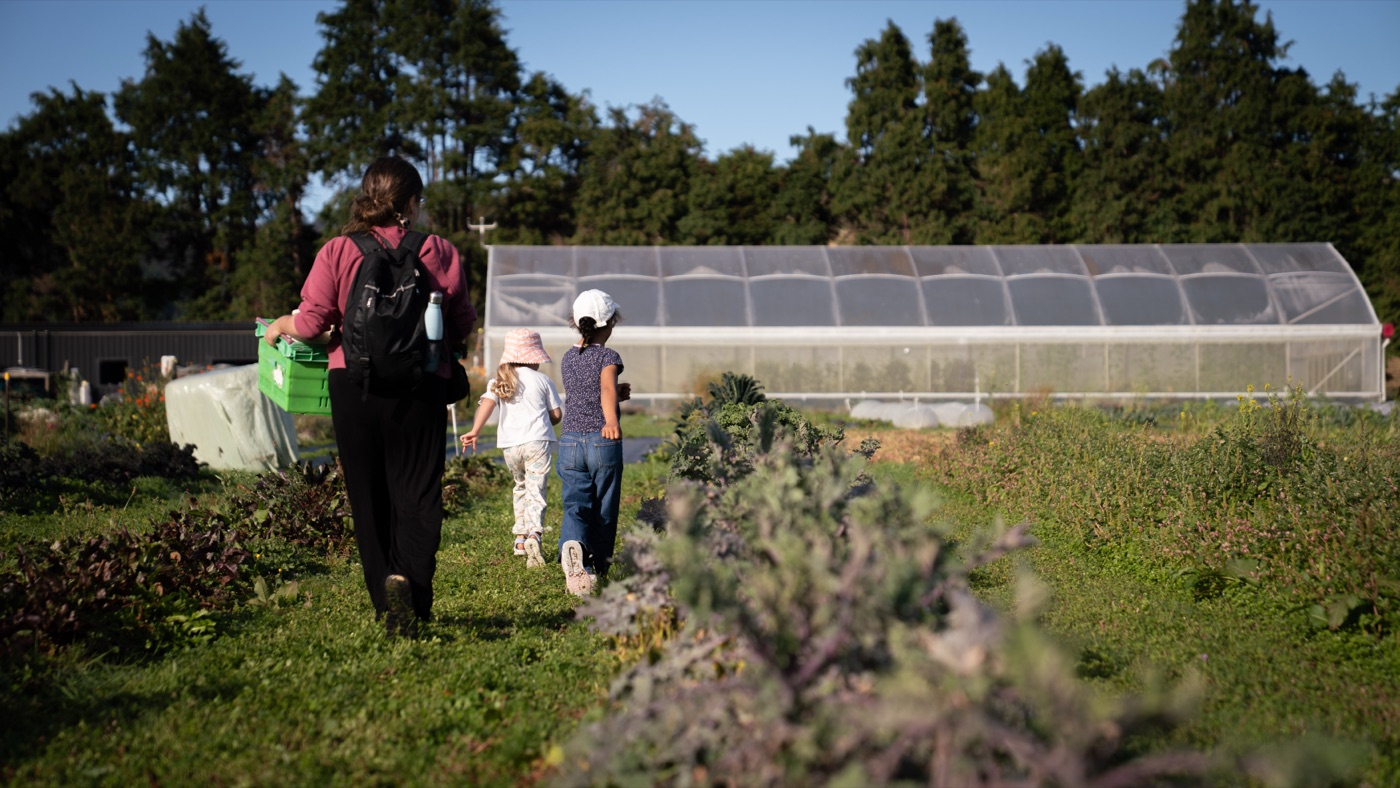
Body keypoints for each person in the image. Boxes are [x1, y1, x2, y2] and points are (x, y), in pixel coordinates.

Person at [262, 155, 476, 637]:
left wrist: (280, 324)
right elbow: (462, 323)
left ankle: (386, 598)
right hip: (422, 387)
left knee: (369, 497)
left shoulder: (338, 251)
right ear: (411, 204)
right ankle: (412, 589)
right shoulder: (438, 250)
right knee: (418, 495)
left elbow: (313, 324)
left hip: (353, 386)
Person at [460, 328, 563, 568]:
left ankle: (519, 539)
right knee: (536, 489)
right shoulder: (542, 380)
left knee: (520, 487)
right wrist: (550, 419)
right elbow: (556, 414)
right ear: (535, 357)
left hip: (510, 446)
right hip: (537, 441)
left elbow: (486, 403)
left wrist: (475, 430)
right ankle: (535, 535)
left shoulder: (500, 380)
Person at [556, 289, 631, 596]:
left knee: (576, 503)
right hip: (602, 440)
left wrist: (616, 393)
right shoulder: (608, 356)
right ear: (610, 323)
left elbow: (585, 392)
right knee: (604, 506)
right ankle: (597, 566)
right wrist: (611, 420)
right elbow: (604, 391)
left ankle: (574, 550)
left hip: (570, 442)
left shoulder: (568, 357)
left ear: (575, 323)